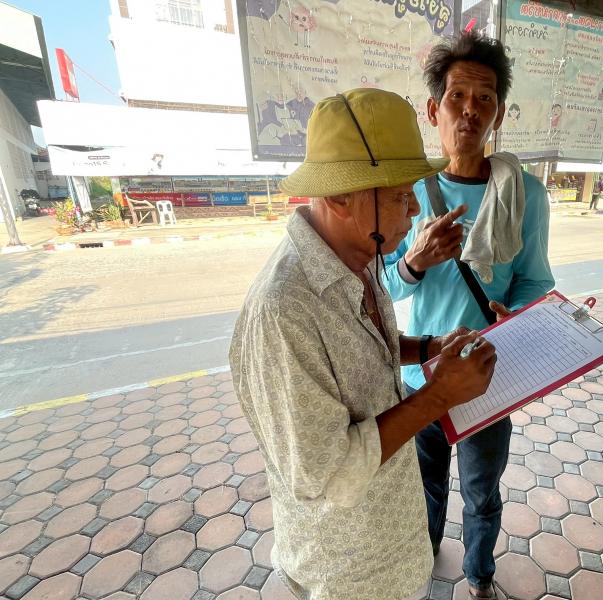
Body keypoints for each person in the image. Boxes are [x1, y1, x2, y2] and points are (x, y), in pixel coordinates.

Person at [229, 88, 498, 600]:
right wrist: (440, 395)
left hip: (395, 538)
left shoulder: (361, 254)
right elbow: (328, 473)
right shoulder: (284, 310)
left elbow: (365, 346)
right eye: (399, 196)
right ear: (339, 198)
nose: (414, 208)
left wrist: (429, 348)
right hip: (350, 573)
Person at [384, 32, 555, 600]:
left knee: (482, 493)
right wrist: (414, 260)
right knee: (425, 486)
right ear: (434, 109)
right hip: (420, 378)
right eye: (457, 96)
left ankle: (479, 576)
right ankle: (425, 558)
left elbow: (536, 280)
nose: (470, 110)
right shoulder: (407, 191)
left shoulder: (525, 194)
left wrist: (517, 316)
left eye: (485, 99)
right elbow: (381, 284)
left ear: (498, 113)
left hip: (487, 377)